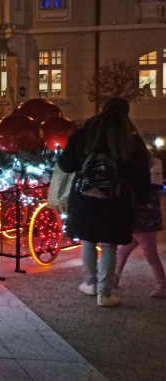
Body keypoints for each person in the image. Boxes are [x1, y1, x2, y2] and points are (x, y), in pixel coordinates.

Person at [58, 97, 151, 306]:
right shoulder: (130, 141)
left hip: (84, 199)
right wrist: (142, 200)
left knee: (87, 240)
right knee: (109, 245)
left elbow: (65, 165)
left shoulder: (82, 135)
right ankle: (104, 294)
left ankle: (90, 284)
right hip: (116, 201)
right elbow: (141, 176)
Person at [114, 157, 166, 298]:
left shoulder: (140, 186)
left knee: (150, 254)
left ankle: (162, 285)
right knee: (122, 250)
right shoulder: (149, 185)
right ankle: (114, 277)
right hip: (141, 224)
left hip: (144, 225)